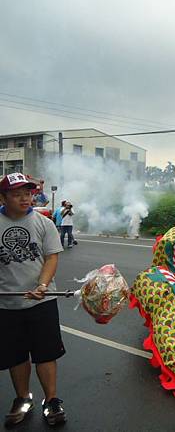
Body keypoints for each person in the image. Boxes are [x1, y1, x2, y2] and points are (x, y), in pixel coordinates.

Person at [0, 173, 66, 427]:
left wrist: (43, 285)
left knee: (46, 354)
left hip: (42, 301)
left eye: (28, 193)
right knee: (16, 356)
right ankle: (22, 398)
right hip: (6, 304)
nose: (25, 198)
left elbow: (51, 257)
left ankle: (51, 401)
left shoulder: (43, 223)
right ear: (3, 197)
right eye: (17, 194)